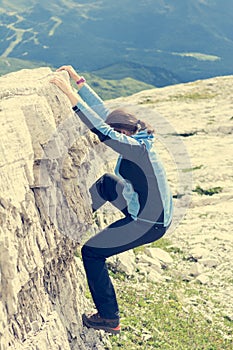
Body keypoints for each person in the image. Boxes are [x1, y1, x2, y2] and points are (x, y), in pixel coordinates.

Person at [50, 65, 173, 335]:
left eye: (118, 134)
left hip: (148, 223)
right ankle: (77, 223)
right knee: (106, 182)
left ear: (125, 133)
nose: (115, 138)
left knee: (91, 253)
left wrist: (70, 95)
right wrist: (78, 80)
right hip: (144, 208)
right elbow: (106, 117)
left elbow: (102, 130)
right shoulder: (138, 135)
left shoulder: (136, 150)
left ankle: (109, 318)